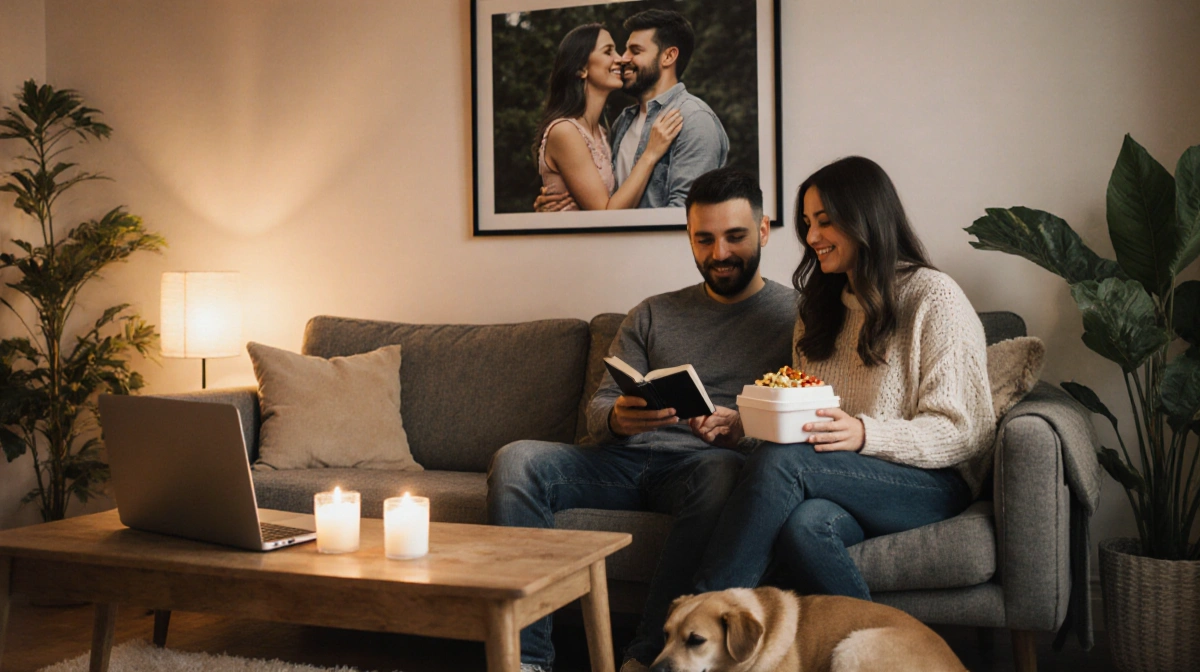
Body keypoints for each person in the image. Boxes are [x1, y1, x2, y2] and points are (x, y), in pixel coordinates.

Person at [488, 168, 797, 672]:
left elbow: (802, 416)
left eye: (735, 236)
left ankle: (645, 657)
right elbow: (596, 410)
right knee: (517, 460)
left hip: (705, 468)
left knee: (722, 473)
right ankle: (526, 661)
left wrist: (742, 423)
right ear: (689, 239)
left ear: (763, 231)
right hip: (623, 460)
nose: (719, 253)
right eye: (705, 239)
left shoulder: (795, 317)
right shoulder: (653, 313)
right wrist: (617, 417)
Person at [692, 156, 996, 602]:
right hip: (843, 476)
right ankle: (874, 651)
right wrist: (746, 427)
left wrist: (865, 433)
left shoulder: (934, 296)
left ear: (865, 219)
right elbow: (809, 422)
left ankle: (699, 623)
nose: (811, 237)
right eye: (807, 223)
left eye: (825, 221)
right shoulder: (818, 309)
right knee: (804, 527)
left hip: (930, 482)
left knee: (784, 462)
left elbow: (965, 431)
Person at [536, 9, 728, 211]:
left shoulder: (693, 119)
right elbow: (603, 202)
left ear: (669, 56)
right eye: (620, 50)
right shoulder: (622, 123)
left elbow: (685, 214)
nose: (623, 58)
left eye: (635, 51)